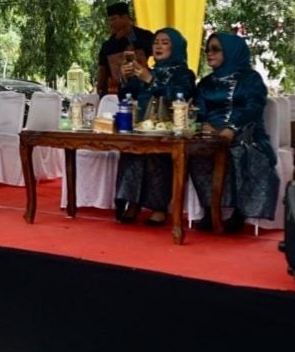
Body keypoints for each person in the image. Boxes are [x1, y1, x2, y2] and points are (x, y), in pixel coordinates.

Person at [188, 33, 279, 234]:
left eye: (215, 49)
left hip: (246, 132)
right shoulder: (205, 83)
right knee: (198, 154)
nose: (209, 54)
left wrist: (231, 128)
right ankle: (211, 212)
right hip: (212, 135)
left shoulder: (251, 79)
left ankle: (240, 213)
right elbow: (199, 110)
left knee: (239, 152)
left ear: (231, 51)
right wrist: (205, 125)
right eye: (207, 49)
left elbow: (253, 107)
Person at [113, 29, 196, 225]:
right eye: (156, 42)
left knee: (156, 156)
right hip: (142, 125)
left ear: (175, 47)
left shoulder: (185, 74)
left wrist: (150, 79)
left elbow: (181, 95)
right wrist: (125, 79)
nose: (158, 46)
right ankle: (132, 202)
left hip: (169, 128)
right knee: (131, 151)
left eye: (165, 42)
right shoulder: (147, 69)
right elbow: (127, 96)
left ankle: (159, 207)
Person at [95, 2, 153, 98]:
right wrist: (99, 86)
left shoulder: (145, 36)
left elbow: (159, 58)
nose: (111, 23)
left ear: (125, 17)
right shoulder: (108, 45)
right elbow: (102, 67)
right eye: (109, 20)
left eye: (114, 19)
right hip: (116, 93)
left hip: (142, 90)